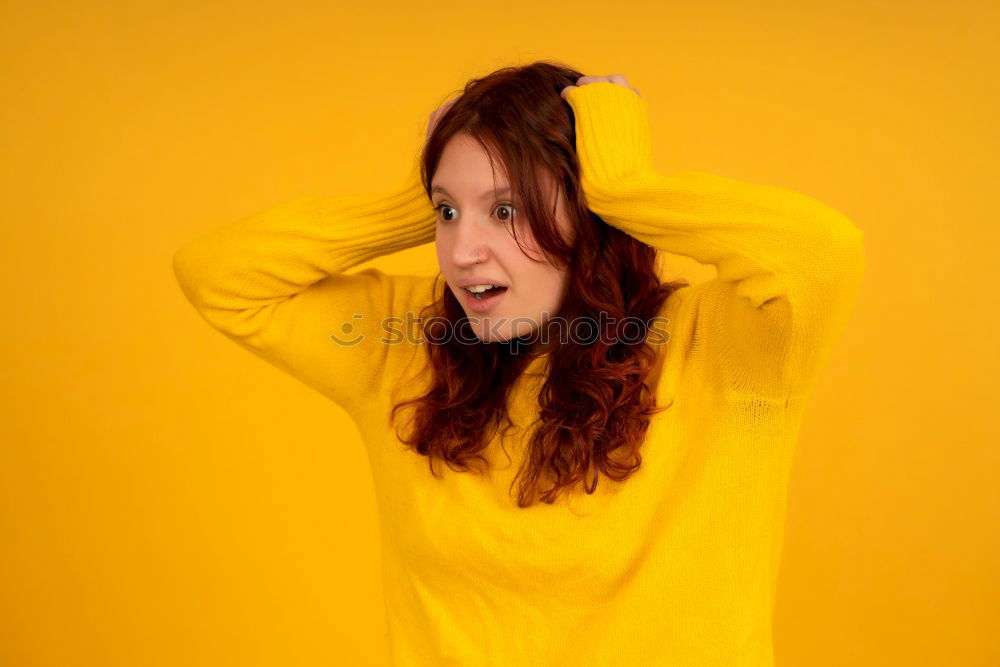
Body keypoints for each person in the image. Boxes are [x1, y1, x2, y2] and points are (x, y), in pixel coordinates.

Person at [172, 61, 865, 666]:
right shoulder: (405, 347)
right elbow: (220, 276)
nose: (462, 250)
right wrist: (422, 198)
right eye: (446, 214)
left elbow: (818, 254)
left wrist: (625, 186)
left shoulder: (721, 347)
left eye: (508, 210)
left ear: (587, 210)